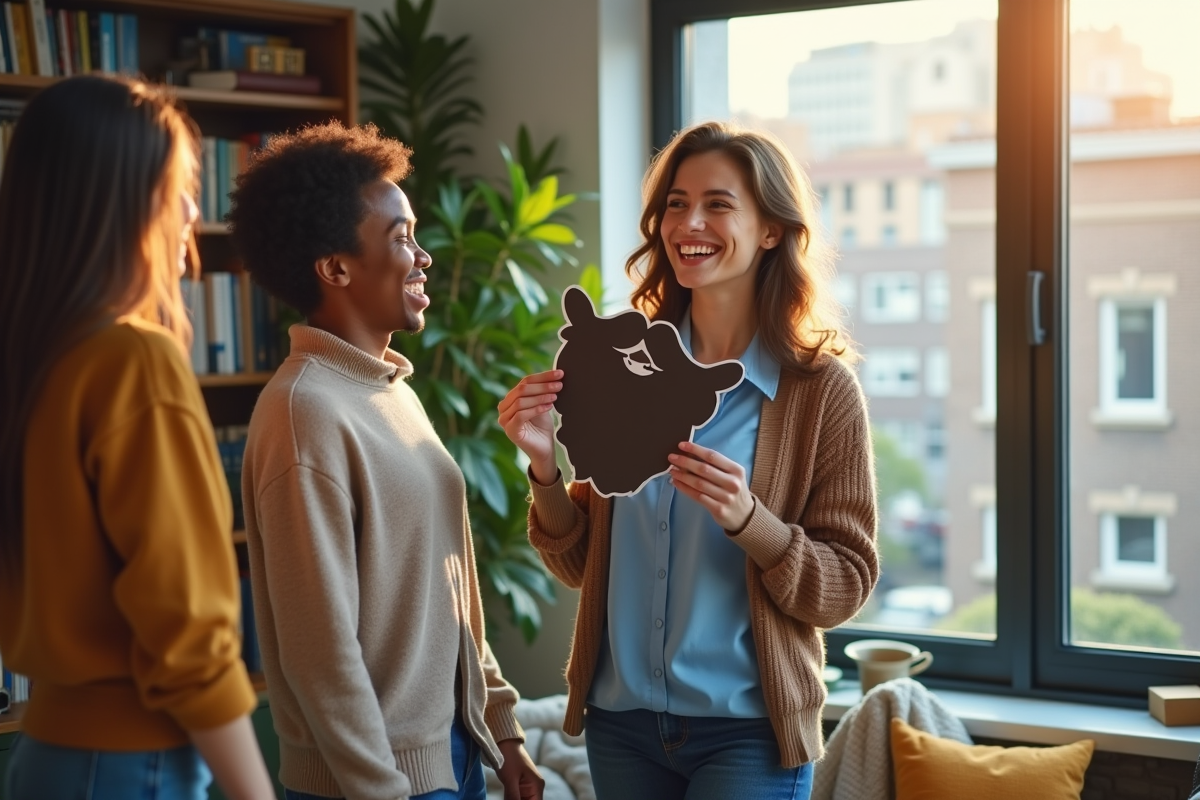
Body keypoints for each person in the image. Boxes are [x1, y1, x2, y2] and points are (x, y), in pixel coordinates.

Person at [498, 120, 880, 800]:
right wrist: (546, 471)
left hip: (749, 734)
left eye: (717, 204)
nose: (688, 223)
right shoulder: (621, 366)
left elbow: (845, 586)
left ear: (771, 230)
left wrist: (751, 522)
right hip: (621, 726)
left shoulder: (821, 391)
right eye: (676, 203)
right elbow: (581, 565)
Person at [226, 121, 544, 800]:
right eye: (401, 238)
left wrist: (502, 731)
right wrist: (381, 789)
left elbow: (447, 588)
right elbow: (319, 650)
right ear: (336, 268)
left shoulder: (390, 387)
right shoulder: (304, 413)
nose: (423, 256)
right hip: (375, 781)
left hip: (455, 759)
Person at [0, 76, 274, 800]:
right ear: (120, 201)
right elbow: (188, 634)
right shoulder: (131, 361)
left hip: (45, 752)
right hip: (131, 763)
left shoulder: (32, 362)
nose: (193, 211)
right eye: (177, 187)